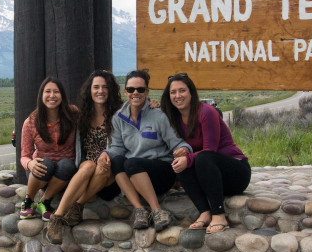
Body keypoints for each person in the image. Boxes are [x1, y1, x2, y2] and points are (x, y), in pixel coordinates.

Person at [97, 69, 191, 231]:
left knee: (131, 163)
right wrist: (105, 153)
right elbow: (117, 147)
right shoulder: (118, 118)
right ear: (125, 91)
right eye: (131, 89)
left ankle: (157, 211)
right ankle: (140, 210)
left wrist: (184, 149)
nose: (136, 93)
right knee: (118, 161)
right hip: (134, 176)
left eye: (140, 89)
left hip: (160, 172)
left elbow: (178, 143)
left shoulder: (159, 115)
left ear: (147, 92)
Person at [161, 73, 251, 234]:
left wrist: (188, 158)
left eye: (182, 91)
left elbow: (210, 149)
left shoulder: (206, 112)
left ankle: (219, 215)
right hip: (209, 177)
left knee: (201, 158)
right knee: (179, 163)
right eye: (173, 92)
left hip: (235, 172)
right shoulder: (174, 118)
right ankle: (205, 212)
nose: (177, 95)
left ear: (191, 93)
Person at [45, 70, 123, 243]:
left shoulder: (119, 115)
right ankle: (57, 218)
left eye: (104, 87)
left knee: (101, 168)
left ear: (110, 90)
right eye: (96, 87)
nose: (100, 91)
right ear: (90, 90)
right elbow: (53, 111)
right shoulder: (81, 116)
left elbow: (137, 111)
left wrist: (151, 103)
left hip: (108, 170)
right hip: (86, 166)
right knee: (88, 165)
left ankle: (77, 205)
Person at [19, 77, 78, 220]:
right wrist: (29, 164)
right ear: (41, 95)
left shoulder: (73, 114)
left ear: (62, 95)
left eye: (56, 92)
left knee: (67, 164)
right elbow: (24, 155)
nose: (52, 96)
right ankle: (28, 201)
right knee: (45, 163)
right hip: (40, 173)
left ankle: (45, 201)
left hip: (64, 174)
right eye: (48, 92)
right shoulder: (31, 122)